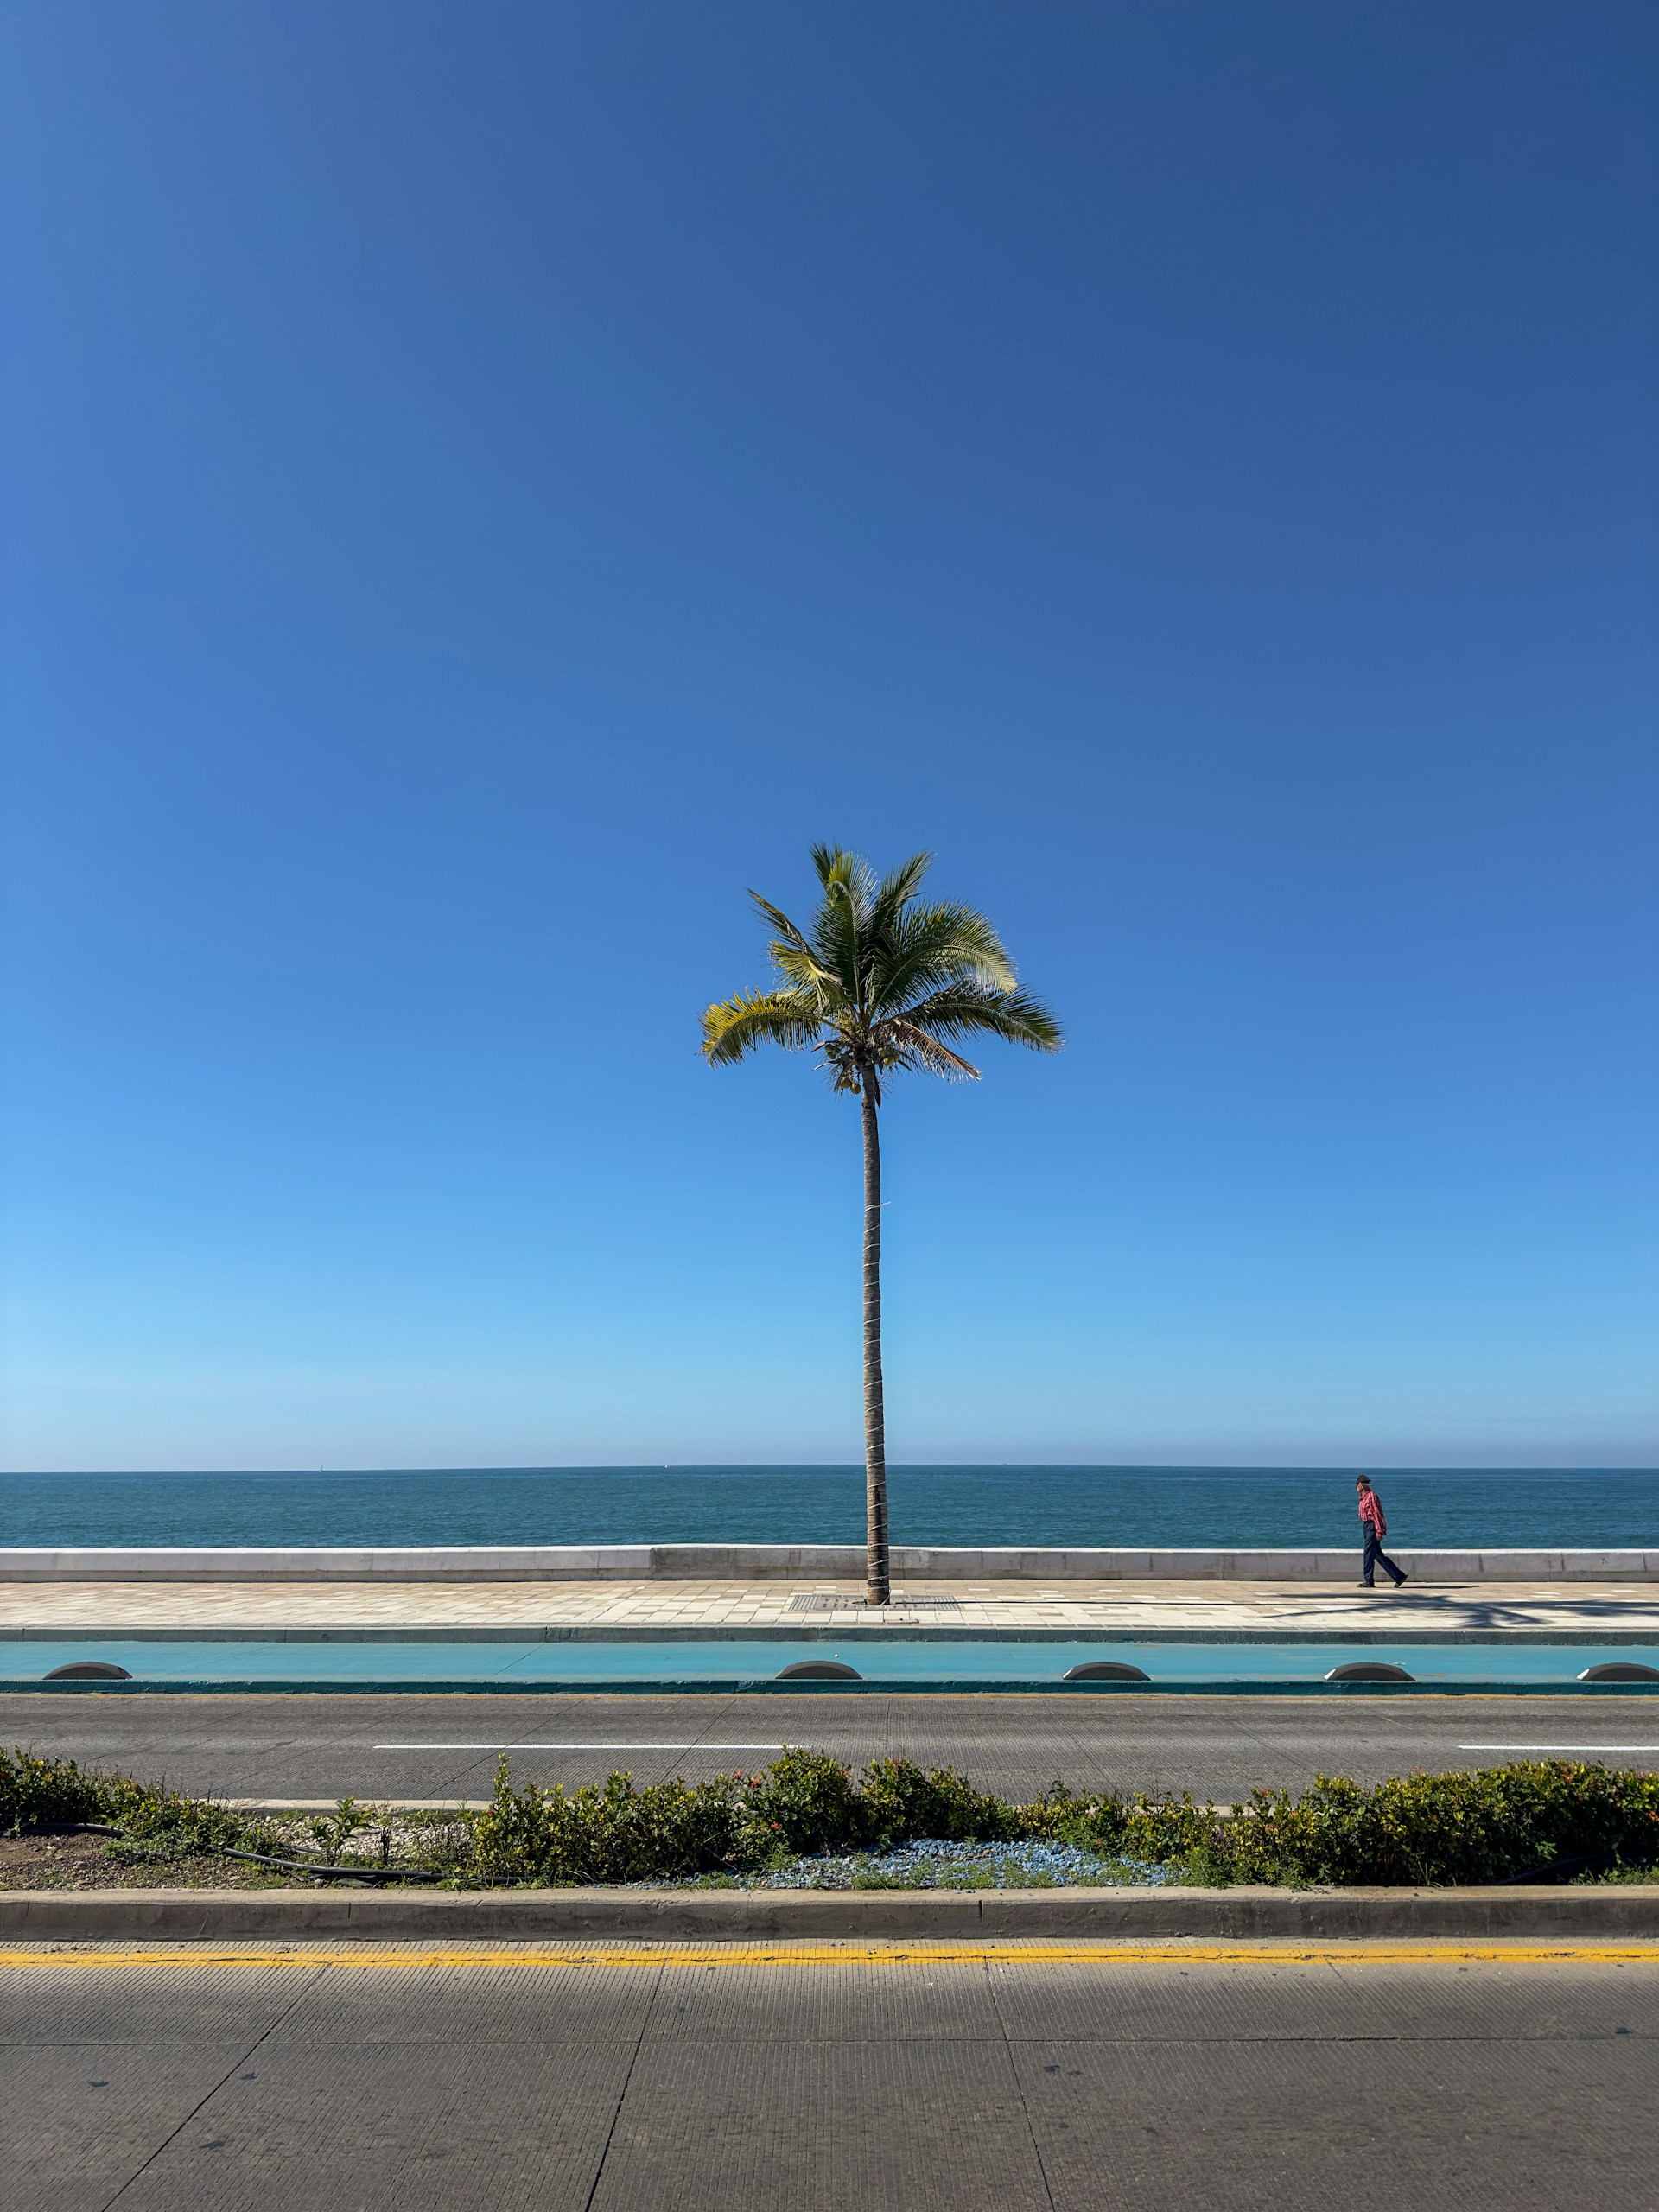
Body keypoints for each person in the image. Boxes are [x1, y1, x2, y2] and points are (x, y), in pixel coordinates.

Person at [1355, 1477, 1407, 1588]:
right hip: (1366, 1526)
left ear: (1361, 1485)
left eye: (1357, 1485)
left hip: (1372, 1527)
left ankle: (1369, 1581)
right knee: (1377, 1554)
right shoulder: (1362, 1498)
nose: (1356, 1487)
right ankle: (1398, 1576)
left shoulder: (1371, 1497)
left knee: (1368, 1554)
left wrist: (1379, 1531)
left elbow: (1377, 1514)